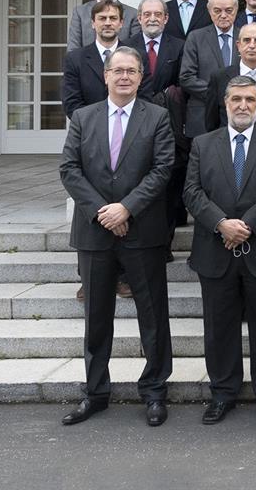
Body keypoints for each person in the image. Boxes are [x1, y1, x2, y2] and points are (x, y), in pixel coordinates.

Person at [58, 47, 175, 427]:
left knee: (153, 316)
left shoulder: (157, 117)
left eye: (132, 71)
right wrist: (103, 212)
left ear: (142, 77)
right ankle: (95, 392)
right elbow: (70, 169)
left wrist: (126, 208)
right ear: (105, 76)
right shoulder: (83, 116)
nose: (124, 77)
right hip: (95, 233)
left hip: (143, 231)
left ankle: (155, 391)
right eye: (118, 70)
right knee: (96, 317)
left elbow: (163, 168)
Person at [184, 75, 256, 424]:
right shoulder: (203, 144)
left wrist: (246, 225)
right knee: (219, 328)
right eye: (236, 99)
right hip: (214, 249)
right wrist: (222, 224)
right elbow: (191, 191)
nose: (243, 105)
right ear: (225, 103)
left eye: (250, 99)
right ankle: (222, 393)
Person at [128, 0, 188, 247]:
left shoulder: (179, 46)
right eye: (147, 14)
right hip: (136, 123)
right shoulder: (126, 46)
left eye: (158, 14)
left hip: (170, 124)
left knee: (170, 183)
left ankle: (165, 243)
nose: (152, 18)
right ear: (139, 18)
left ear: (166, 18)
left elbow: (183, 82)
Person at [179, 0, 240, 137]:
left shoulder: (246, 37)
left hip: (240, 115)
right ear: (209, 11)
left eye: (229, 10)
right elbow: (186, 77)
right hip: (202, 115)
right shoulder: (196, 38)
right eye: (217, 10)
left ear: (236, 10)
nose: (223, 15)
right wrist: (219, 95)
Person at [63, 0, 130, 118]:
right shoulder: (75, 59)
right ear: (93, 23)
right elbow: (71, 103)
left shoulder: (136, 57)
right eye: (102, 18)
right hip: (90, 131)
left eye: (113, 18)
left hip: (129, 130)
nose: (108, 23)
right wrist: (97, 125)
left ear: (121, 23)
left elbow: (143, 98)